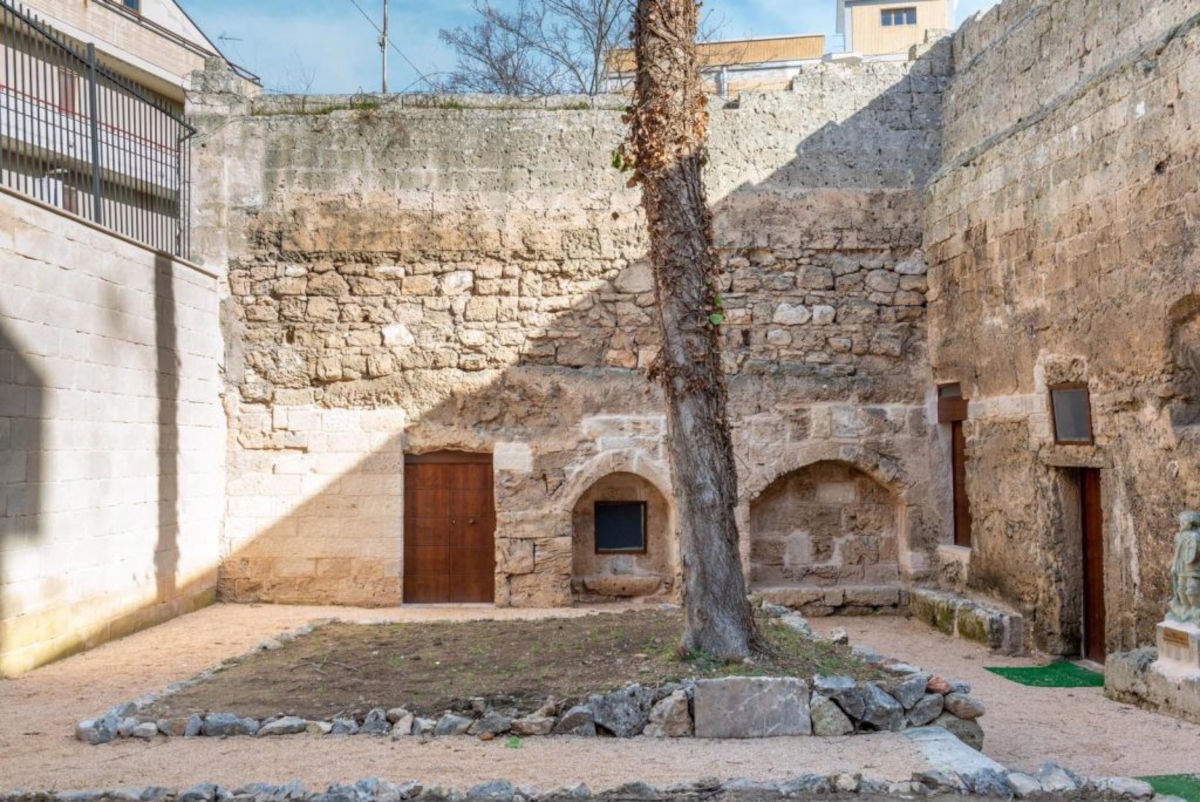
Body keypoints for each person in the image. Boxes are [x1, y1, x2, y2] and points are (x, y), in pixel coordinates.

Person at [1169, 511, 1200, 625]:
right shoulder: (1180, 536)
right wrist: (1174, 565)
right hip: (1182, 566)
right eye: (1181, 522)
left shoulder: (1196, 536)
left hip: (1194, 567)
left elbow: (1195, 551)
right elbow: (1177, 552)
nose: (1181, 524)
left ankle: (1196, 609)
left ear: (1191, 523)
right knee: (1180, 589)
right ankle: (1185, 608)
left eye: (1184, 521)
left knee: (1192, 589)